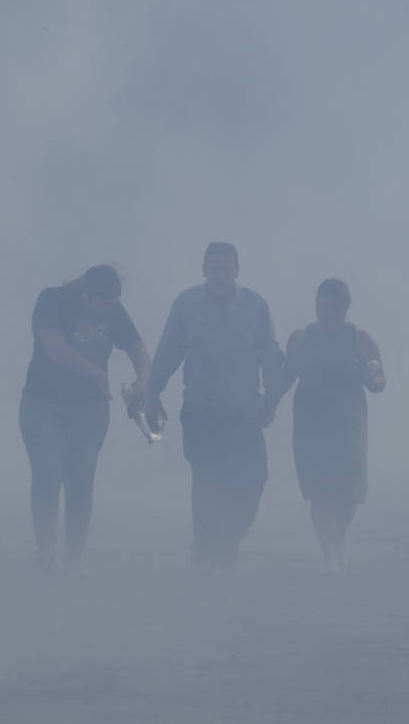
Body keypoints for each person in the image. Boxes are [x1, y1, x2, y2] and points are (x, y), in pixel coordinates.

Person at [146, 242, 286, 573]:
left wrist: (272, 399)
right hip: (201, 409)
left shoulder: (254, 305)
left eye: (227, 268)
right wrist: (153, 391)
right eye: (215, 268)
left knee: (254, 479)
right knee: (208, 482)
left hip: (244, 411)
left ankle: (226, 540)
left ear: (237, 270)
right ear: (204, 270)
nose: (221, 275)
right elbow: (168, 351)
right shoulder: (187, 304)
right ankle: (207, 551)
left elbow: (269, 353)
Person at [19, 265, 151, 570]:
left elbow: (139, 352)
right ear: (85, 294)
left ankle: (74, 552)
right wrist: (94, 372)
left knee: (80, 480)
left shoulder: (115, 310)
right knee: (47, 473)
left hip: (90, 410)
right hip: (42, 403)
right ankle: (46, 547)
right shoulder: (53, 300)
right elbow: (54, 347)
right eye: (101, 304)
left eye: (111, 304)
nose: (106, 310)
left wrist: (142, 383)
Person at [283, 279, 385, 574]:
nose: (328, 313)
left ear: (346, 309)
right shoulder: (299, 338)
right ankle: (329, 553)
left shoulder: (360, 339)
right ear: (316, 305)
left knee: (347, 492)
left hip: (348, 423)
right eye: (323, 307)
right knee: (320, 490)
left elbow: (381, 382)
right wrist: (267, 404)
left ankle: (337, 541)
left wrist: (371, 376)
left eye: (335, 309)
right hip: (309, 422)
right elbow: (287, 377)